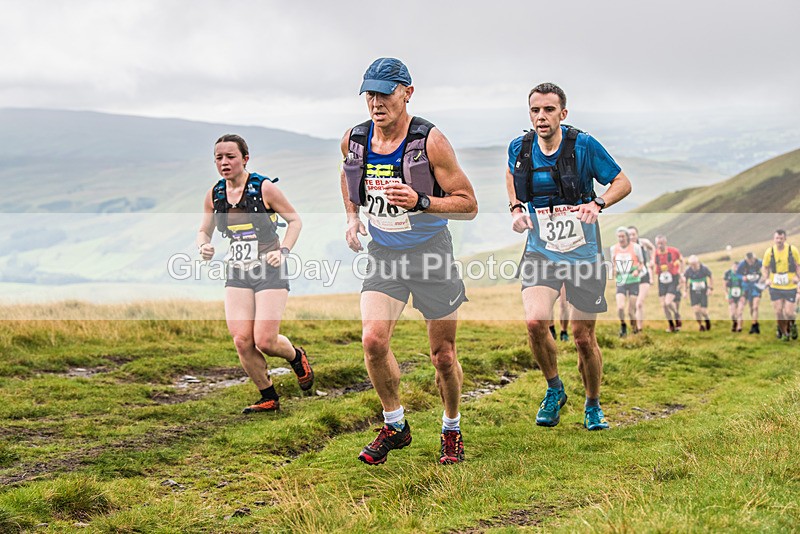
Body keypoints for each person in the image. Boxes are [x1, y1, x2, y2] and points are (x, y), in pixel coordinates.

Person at [341, 58, 478, 465]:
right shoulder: (354, 138)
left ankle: (451, 427)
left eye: (385, 92)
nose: (376, 101)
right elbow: (349, 178)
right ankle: (395, 424)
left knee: (443, 356)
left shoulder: (430, 140)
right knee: (373, 340)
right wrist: (351, 216)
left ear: (407, 93)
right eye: (370, 93)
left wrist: (422, 201)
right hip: (383, 254)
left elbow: (468, 204)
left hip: (431, 253)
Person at [505, 82, 631, 431]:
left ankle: (592, 404)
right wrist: (516, 208)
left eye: (548, 110)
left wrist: (597, 202)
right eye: (535, 110)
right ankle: (554, 389)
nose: (541, 117)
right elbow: (511, 173)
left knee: (581, 337)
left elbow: (622, 181)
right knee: (534, 322)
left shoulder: (584, 146)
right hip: (540, 251)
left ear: (563, 113)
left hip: (584, 255)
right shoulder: (521, 147)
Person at [197, 134, 314, 413]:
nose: (224, 162)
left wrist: (283, 250)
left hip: (269, 269)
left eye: (230, 157)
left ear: (245, 159)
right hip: (238, 271)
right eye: (219, 158)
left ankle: (296, 357)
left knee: (265, 340)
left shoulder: (264, 188)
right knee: (241, 340)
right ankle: (268, 396)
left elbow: (295, 220)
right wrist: (204, 245)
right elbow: (204, 229)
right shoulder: (215, 194)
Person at [762, 229, 800, 341]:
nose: (779, 240)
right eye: (777, 238)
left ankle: (792, 325)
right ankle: (784, 333)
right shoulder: (769, 252)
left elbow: (798, 265)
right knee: (778, 311)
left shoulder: (792, 250)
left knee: (789, 312)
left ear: (785, 239)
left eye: (781, 238)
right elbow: (765, 267)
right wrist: (767, 279)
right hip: (775, 285)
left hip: (790, 285)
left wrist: (798, 278)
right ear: (774, 239)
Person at [610, 226, 644, 337]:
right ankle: (623, 325)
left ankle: (635, 330)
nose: (621, 239)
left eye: (623, 236)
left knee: (631, 311)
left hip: (633, 280)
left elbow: (641, 263)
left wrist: (637, 271)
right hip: (621, 280)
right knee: (620, 307)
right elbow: (613, 263)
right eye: (619, 236)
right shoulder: (613, 248)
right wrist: (614, 270)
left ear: (627, 237)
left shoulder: (636, 248)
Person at [627, 226, 655, 332]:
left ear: (637, 234)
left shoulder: (643, 242)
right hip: (632, 278)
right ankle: (634, 326)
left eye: (634, 234)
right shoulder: (626, 247)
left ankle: (639, 328)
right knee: (633, 306)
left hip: (644, 276)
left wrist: (652, 259)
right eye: (629, 235)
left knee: (639, 303)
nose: (632, 237)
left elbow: (652, 248)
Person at [654, 236, 683, 332]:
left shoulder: (673, 251)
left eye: (661, 243)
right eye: (658, 243)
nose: (659, 245)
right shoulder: (656, 254)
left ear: (665, 242)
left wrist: (681, 274)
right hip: (661, 279)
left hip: (673, 279)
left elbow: (681, 260)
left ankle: (676, 314)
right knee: (664, 305)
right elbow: (654, 265)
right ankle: (671, 325)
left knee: (668, 302)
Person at [683, 255, 713, 331]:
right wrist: (685, 291)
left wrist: (710, 288)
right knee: (696, 311)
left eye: (694, 264)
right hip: (693, 292)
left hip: (703, 292)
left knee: (703, 311)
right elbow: (685, 280)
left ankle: (707, 320)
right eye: (691, 265)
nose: (693, 266)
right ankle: (701, 325)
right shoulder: (688, 270)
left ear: (698, 262)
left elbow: (710, 277)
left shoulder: (704, 269)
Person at [736, 252, 763, 334]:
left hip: (756, 287)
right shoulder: (742, 264)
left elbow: (767, 269)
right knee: (751, 307)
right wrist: (742, 277)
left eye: (752, 260)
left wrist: (763, 278)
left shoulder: (760, 262)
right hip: (746, 288)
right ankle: (755, 323)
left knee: (755, 306)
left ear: (754, 258)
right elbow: (737, 274)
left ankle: (754, 325)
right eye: (749, 260)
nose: (750, 262)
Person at [724, 261, 745, 332]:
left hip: (741, 295)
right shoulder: (728, 274)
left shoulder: (742, 274)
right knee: (733, 313)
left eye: (737, 267)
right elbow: (725, 285)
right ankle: (735, 323)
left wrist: (743, 295)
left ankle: (739, 327)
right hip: (732, 295)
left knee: (739, 311)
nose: (736, 268)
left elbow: (745, 285)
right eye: (734, 267)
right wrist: (726, 294)